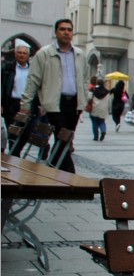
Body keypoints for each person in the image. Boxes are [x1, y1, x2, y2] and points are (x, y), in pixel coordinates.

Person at [20, 18, 89, 173]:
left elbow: (85, 78)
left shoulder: (79, 54)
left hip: (74, 104)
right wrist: (25, 104)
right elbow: (33, 80)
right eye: (62, 29)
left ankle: (54, 171)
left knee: (65, 139)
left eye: (69, 30)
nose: (66, 32)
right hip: (55, 103)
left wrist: (84, 98)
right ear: (56, 32)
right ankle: (70, 174)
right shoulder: (44, 54)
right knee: (62, 137)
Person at [2, 39, 31, 128]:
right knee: (12, 131)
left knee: (26, 131)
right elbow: (2, 86)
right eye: (19, 52)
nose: (22, 55)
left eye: (24, 53)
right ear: (15, 54)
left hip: (26, 104)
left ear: (28, 55)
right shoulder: (7, 68)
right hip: (11, 104)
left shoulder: (32, 70)